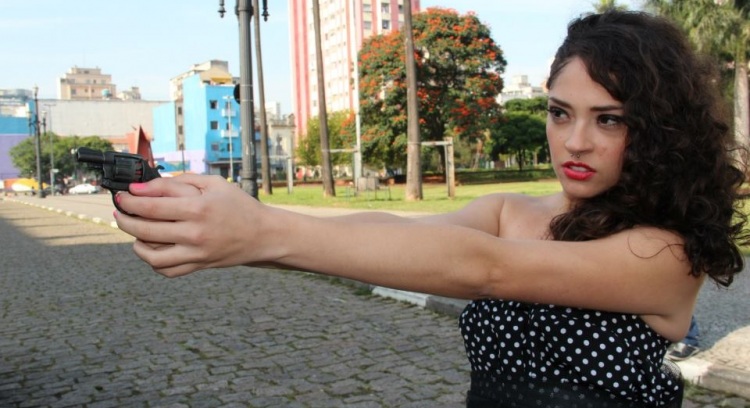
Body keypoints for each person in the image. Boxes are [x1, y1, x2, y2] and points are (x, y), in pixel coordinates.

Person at [113, 10, 747, 408]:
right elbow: (392, 234)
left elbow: (486, 268)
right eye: (560, 113)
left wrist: (264, 231)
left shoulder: (666, 253)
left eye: (608, 119)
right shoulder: (509, 210)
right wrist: (227, 232)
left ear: (660, 130)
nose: (574, 141)